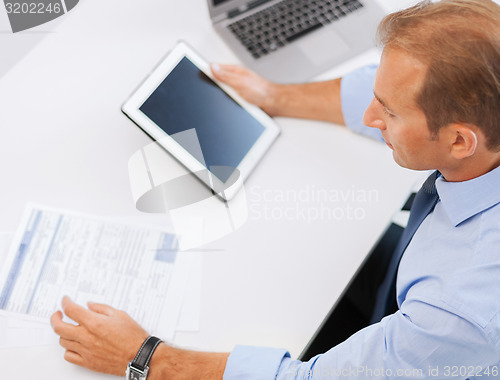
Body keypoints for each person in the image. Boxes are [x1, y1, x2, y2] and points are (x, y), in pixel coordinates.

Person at [51, 0, 500, 378]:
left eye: (389, 113)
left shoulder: (458, 309)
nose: (369, 117)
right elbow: (381, 86)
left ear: (460, 141)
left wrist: (146, 357)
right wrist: (272, 95)